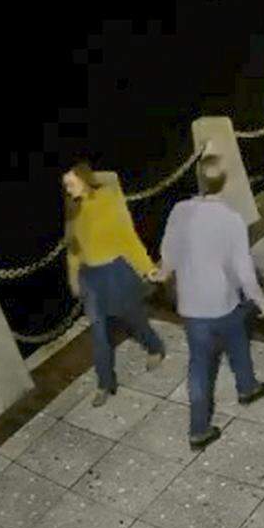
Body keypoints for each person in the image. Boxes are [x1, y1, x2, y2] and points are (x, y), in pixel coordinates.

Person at [158, 155, 264, 450]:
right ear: (225, 181)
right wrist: (258, 297)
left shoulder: (180, 211)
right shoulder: (231, 219)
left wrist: (163, 272)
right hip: (224, 301)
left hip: (192, 306)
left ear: (198, 180)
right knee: (238, 344)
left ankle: (198, 429)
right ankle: (247, 388)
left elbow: (168, 253)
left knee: (199, 366)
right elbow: (243, 267)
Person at [63, 162, 166, 408]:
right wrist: (74, 277)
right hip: (91, 278)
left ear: (84, 180)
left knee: (133, 318)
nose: (67, 189)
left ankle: (154, 346)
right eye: (65, 185)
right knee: (98, 333)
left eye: (71, 183)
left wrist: (147, 267)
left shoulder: (108, 202)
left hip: (114, 272)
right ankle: (105, 383)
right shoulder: (73, 210)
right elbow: (74, 250)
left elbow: (128, 238)